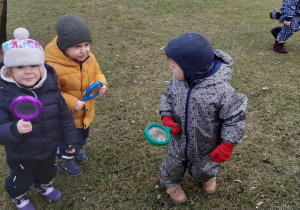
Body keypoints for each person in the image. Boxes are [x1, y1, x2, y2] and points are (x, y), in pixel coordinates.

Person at [159, 32, 248, 203]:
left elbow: (234, 119)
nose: (171, 70)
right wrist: (167, 118)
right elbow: (167, 98)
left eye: (173, 66)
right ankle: (171, 184)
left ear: (191, 68)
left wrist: (228, 144)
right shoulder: (176, 81)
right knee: (172, 164)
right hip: (178, 139)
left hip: (206, 144)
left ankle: (207, 177)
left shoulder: (223, 92)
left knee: (205, 167)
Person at [0, 28, 79, 210]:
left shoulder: (50, 88)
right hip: (22, 153)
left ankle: (43, 186)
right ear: (9, 71)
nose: (28, 71)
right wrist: (14, 129)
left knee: (47, 170)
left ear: (41, 66)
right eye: (20, 67)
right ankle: (18, 195)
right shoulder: (5, 96)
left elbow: (64, 116)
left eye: (33, 65)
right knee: (22, 177)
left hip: (49, 146)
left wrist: (70, 141)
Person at [44, 15, 108, 176]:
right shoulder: (52, 67)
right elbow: (51, 93)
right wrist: (72, 102)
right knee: (67, 141)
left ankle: (78, 149)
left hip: (85, 111)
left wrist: (101, 83)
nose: (84, 50)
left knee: (82, 135)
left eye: (87, 45)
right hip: (66, 116)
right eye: (77, 46)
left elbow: (97, 72)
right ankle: (65, 161)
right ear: (64, 47)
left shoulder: (89, 58)